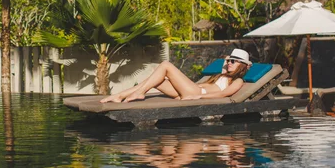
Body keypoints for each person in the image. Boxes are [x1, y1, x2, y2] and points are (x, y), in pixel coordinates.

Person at [100, 48, 252, 103]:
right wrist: (226, 66)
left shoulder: (238, 81)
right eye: (229, 60)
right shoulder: (221, 76)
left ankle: (137, 93)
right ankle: (120, 95)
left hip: (196, 93)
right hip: (191, 90)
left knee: (166, 65)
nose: (229, 62)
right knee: (156, 81)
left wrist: (197, 97)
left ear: (243, 66)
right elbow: (210, 83)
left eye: (233, 61)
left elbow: (224, 94)